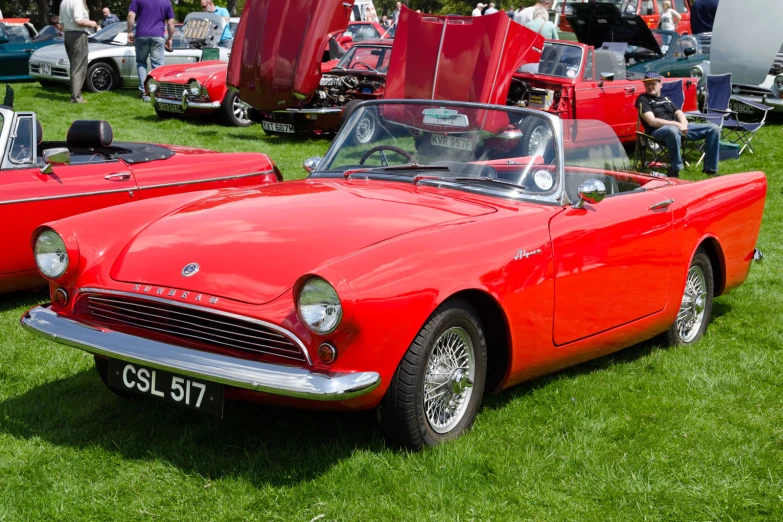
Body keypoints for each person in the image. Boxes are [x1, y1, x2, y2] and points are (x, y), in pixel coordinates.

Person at [636, 72, 720, 177]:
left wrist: (683, 124)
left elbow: (679, 112)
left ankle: (710, 169)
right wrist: (677, 124)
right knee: (672, 130)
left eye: (653, 84)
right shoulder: (643, 99)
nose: (650, 87)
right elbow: (651, 121)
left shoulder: (665, 99)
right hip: (658, 131)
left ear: (660, 85)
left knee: (714, 128)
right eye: (647, 84)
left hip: (677, 128)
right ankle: (676, 168)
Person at [127, 0, 175, 100]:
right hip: (158, 36)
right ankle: (156, 92)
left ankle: (144, 92)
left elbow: (131, 15)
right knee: (157, 66)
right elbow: (171, 22)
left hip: (141, 35)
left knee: (141, 63)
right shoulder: (166, 2)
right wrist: (170, 38)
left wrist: (129, 32)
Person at [59, 0, 98, 103]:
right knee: (79, 67)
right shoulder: (77, 2)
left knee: (74, 65)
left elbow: (61, 23)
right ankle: (76, 98)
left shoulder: (64, 2)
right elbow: (78, 20)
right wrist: (92, 23)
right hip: (78, 35)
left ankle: (74, 95)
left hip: (67, 35)